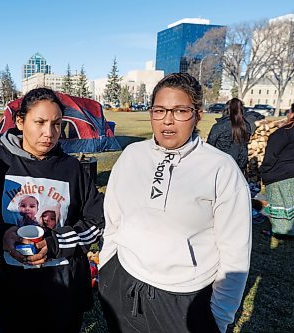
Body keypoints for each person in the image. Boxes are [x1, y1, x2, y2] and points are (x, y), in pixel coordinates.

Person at [99, 73, 252, 333]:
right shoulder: (132, 155)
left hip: (184, 298)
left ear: (198, 115)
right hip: (123, 281)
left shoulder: (220, 168)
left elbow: (235, 252)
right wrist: (107, 266)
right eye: (159, 110)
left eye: (180, 110)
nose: (167, 120)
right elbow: (113, 218)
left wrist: (219, 317)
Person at [0, 87, 104, 333]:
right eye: (39, 122)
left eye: (56, 124)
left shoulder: (72, 168)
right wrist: (1, 234)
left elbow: (97, 221)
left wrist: (58, 243)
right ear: (20, 122)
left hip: (63, 289)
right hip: (9, 287)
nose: (49, 133)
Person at [259, 102, 294, 236]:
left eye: (290, 111)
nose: (288, 114)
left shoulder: (285, 132)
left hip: (281, 175)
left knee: (281, 204)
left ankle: (281, 231)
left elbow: (271, 154)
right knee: (293, 205)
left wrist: (265, 171)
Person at [207, 98, 252, 173]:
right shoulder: (246, 126)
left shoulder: (219, 126)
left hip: (220, 167)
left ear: (226, 110)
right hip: (239, 167)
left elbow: (209, 147)